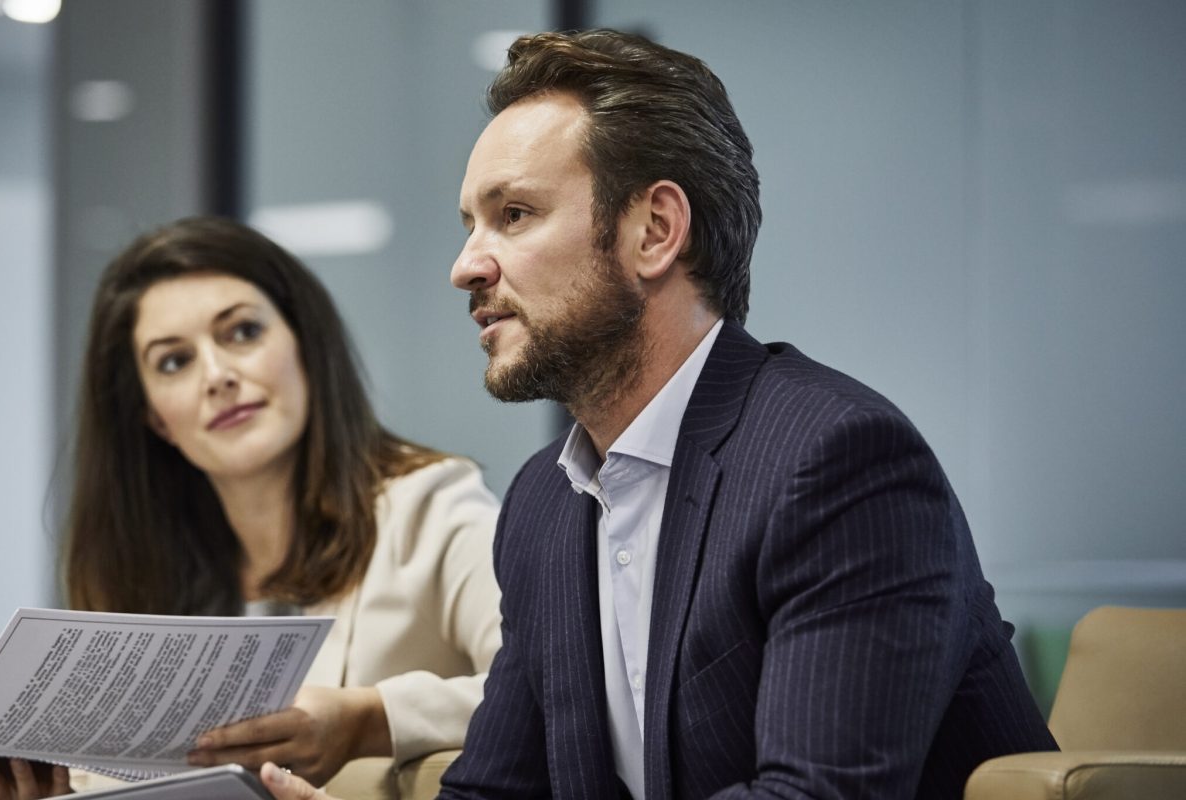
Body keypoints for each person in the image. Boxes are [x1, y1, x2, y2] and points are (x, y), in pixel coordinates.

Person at [263, 29, 1056, 800]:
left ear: (655, 231)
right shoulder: (544, 501)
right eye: (469, 225)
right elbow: (495, 789)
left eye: (514, 215)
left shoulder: (836, 460)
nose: (465, 266)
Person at [0, 216, 501, 799]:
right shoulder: (149, 572)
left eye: (241, 332)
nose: (219, 376)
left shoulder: (430, 504)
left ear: (303, 342)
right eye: (174, 362)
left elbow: (545, 689)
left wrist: (367, 720)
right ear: (156, 417)